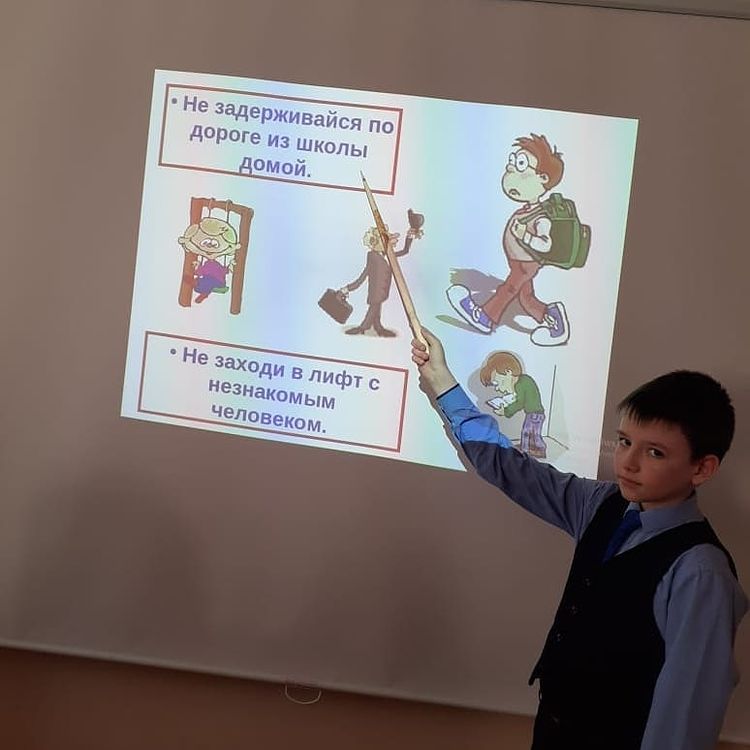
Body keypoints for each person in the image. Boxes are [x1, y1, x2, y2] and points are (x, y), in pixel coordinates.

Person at [411, 328, 748, 750]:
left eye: (655, 453)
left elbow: (684, 718)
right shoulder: (602, 504)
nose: (628, 463)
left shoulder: (700, 573)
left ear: (702, 468)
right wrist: (442, 381)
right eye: (624, 442)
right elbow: (511, 468)